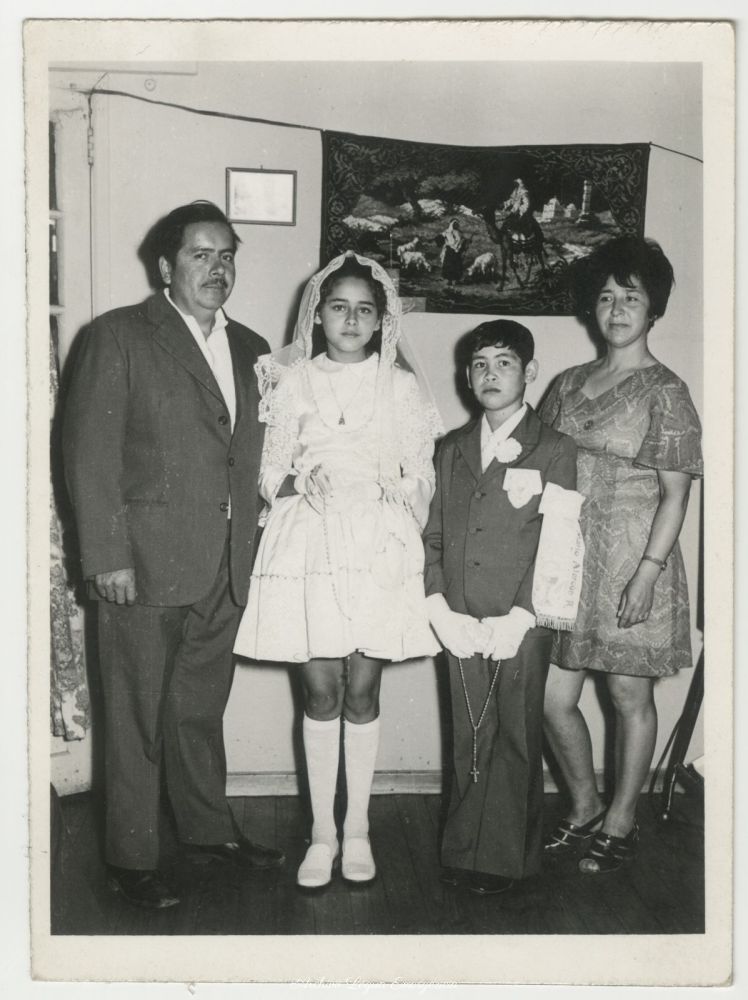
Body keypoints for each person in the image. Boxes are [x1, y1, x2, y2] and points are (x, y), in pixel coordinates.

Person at [63, 201, 285, 909]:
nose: (217, 269)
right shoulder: (117, 335)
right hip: (142, 565)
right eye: (200, 255)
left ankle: (207, 831)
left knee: (199, 708)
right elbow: (89, 455)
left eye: (227, 256)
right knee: (134, 717)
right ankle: (131, 859)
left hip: (227, 563)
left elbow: (257, 454)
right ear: (166, 266)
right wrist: (106, 556)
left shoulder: (254, 348)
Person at [234, 252, 442, 890]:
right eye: (339, 307)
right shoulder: (291, 380)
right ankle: (321, 832)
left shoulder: (399, 386)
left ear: (381, 320)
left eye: (364, 310)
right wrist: (298, 480)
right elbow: (267, 471)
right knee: (320, 693)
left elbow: (421, 471)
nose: (351, 320)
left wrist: (396, 490)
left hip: (376, 542)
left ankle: (358, 828)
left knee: (362, 693)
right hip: (309, 539)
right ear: (318, 315)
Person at [539, 236, 703, 873]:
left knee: (628, 697)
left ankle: (622, 819)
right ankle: (584, 805)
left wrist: (647, 575)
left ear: (653, 308)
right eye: (606, 297)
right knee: (551, 699)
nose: (616, 309)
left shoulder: (667, 390)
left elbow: (675, 495)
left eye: (630, 297)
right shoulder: (566, 383)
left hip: (636, 557)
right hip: (568, 559)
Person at [423, 320, 582, 895]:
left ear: (529, 371)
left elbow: (558, 543)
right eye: (480, 365)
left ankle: (506, 860)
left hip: (521, 620)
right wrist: (439, 605)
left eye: (504, 363)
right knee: (469, 730)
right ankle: (464, 849)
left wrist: (522, 616)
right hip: (460, 617)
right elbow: (432, 534)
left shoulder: (555, 448)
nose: (490, 375)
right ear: (467, 377)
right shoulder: (451, 448)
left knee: (514, 734)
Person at [440, 219, 469, 286]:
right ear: (451, 225)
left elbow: (463, 240)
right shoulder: (447, 232)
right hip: (450, 251)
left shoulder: (459, 232)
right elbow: (441, 238)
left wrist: (467, 241)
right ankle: (449, 280)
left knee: (457, 266)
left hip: (457, 252)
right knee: (449, 265)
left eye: (457, 224)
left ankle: (457, 280)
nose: (456, 225)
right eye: (454, 224)